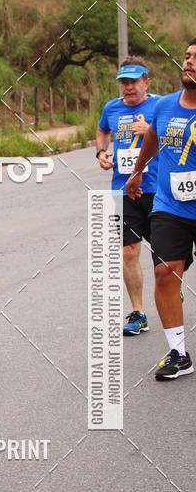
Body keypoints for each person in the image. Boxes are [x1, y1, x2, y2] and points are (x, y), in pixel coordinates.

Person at [126, 39, 196, 379]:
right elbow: (153, 137)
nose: (190, 62)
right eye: (187, 56)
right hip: (171, 207)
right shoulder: (166, 105)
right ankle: (178, 353)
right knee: (164, 272)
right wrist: (138, 171)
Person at [96, 57, 159, 335]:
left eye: (134, 82)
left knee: (167, 256)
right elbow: (102, 131)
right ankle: (138, 313)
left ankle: (172, 284)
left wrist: (153, 132)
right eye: (124, 82)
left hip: (158, 190)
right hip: (122, 191)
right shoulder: (111, 108)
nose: (129, 88)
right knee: (128, 251)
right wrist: (101, 152)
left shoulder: (161, 105)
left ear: (147, 81)